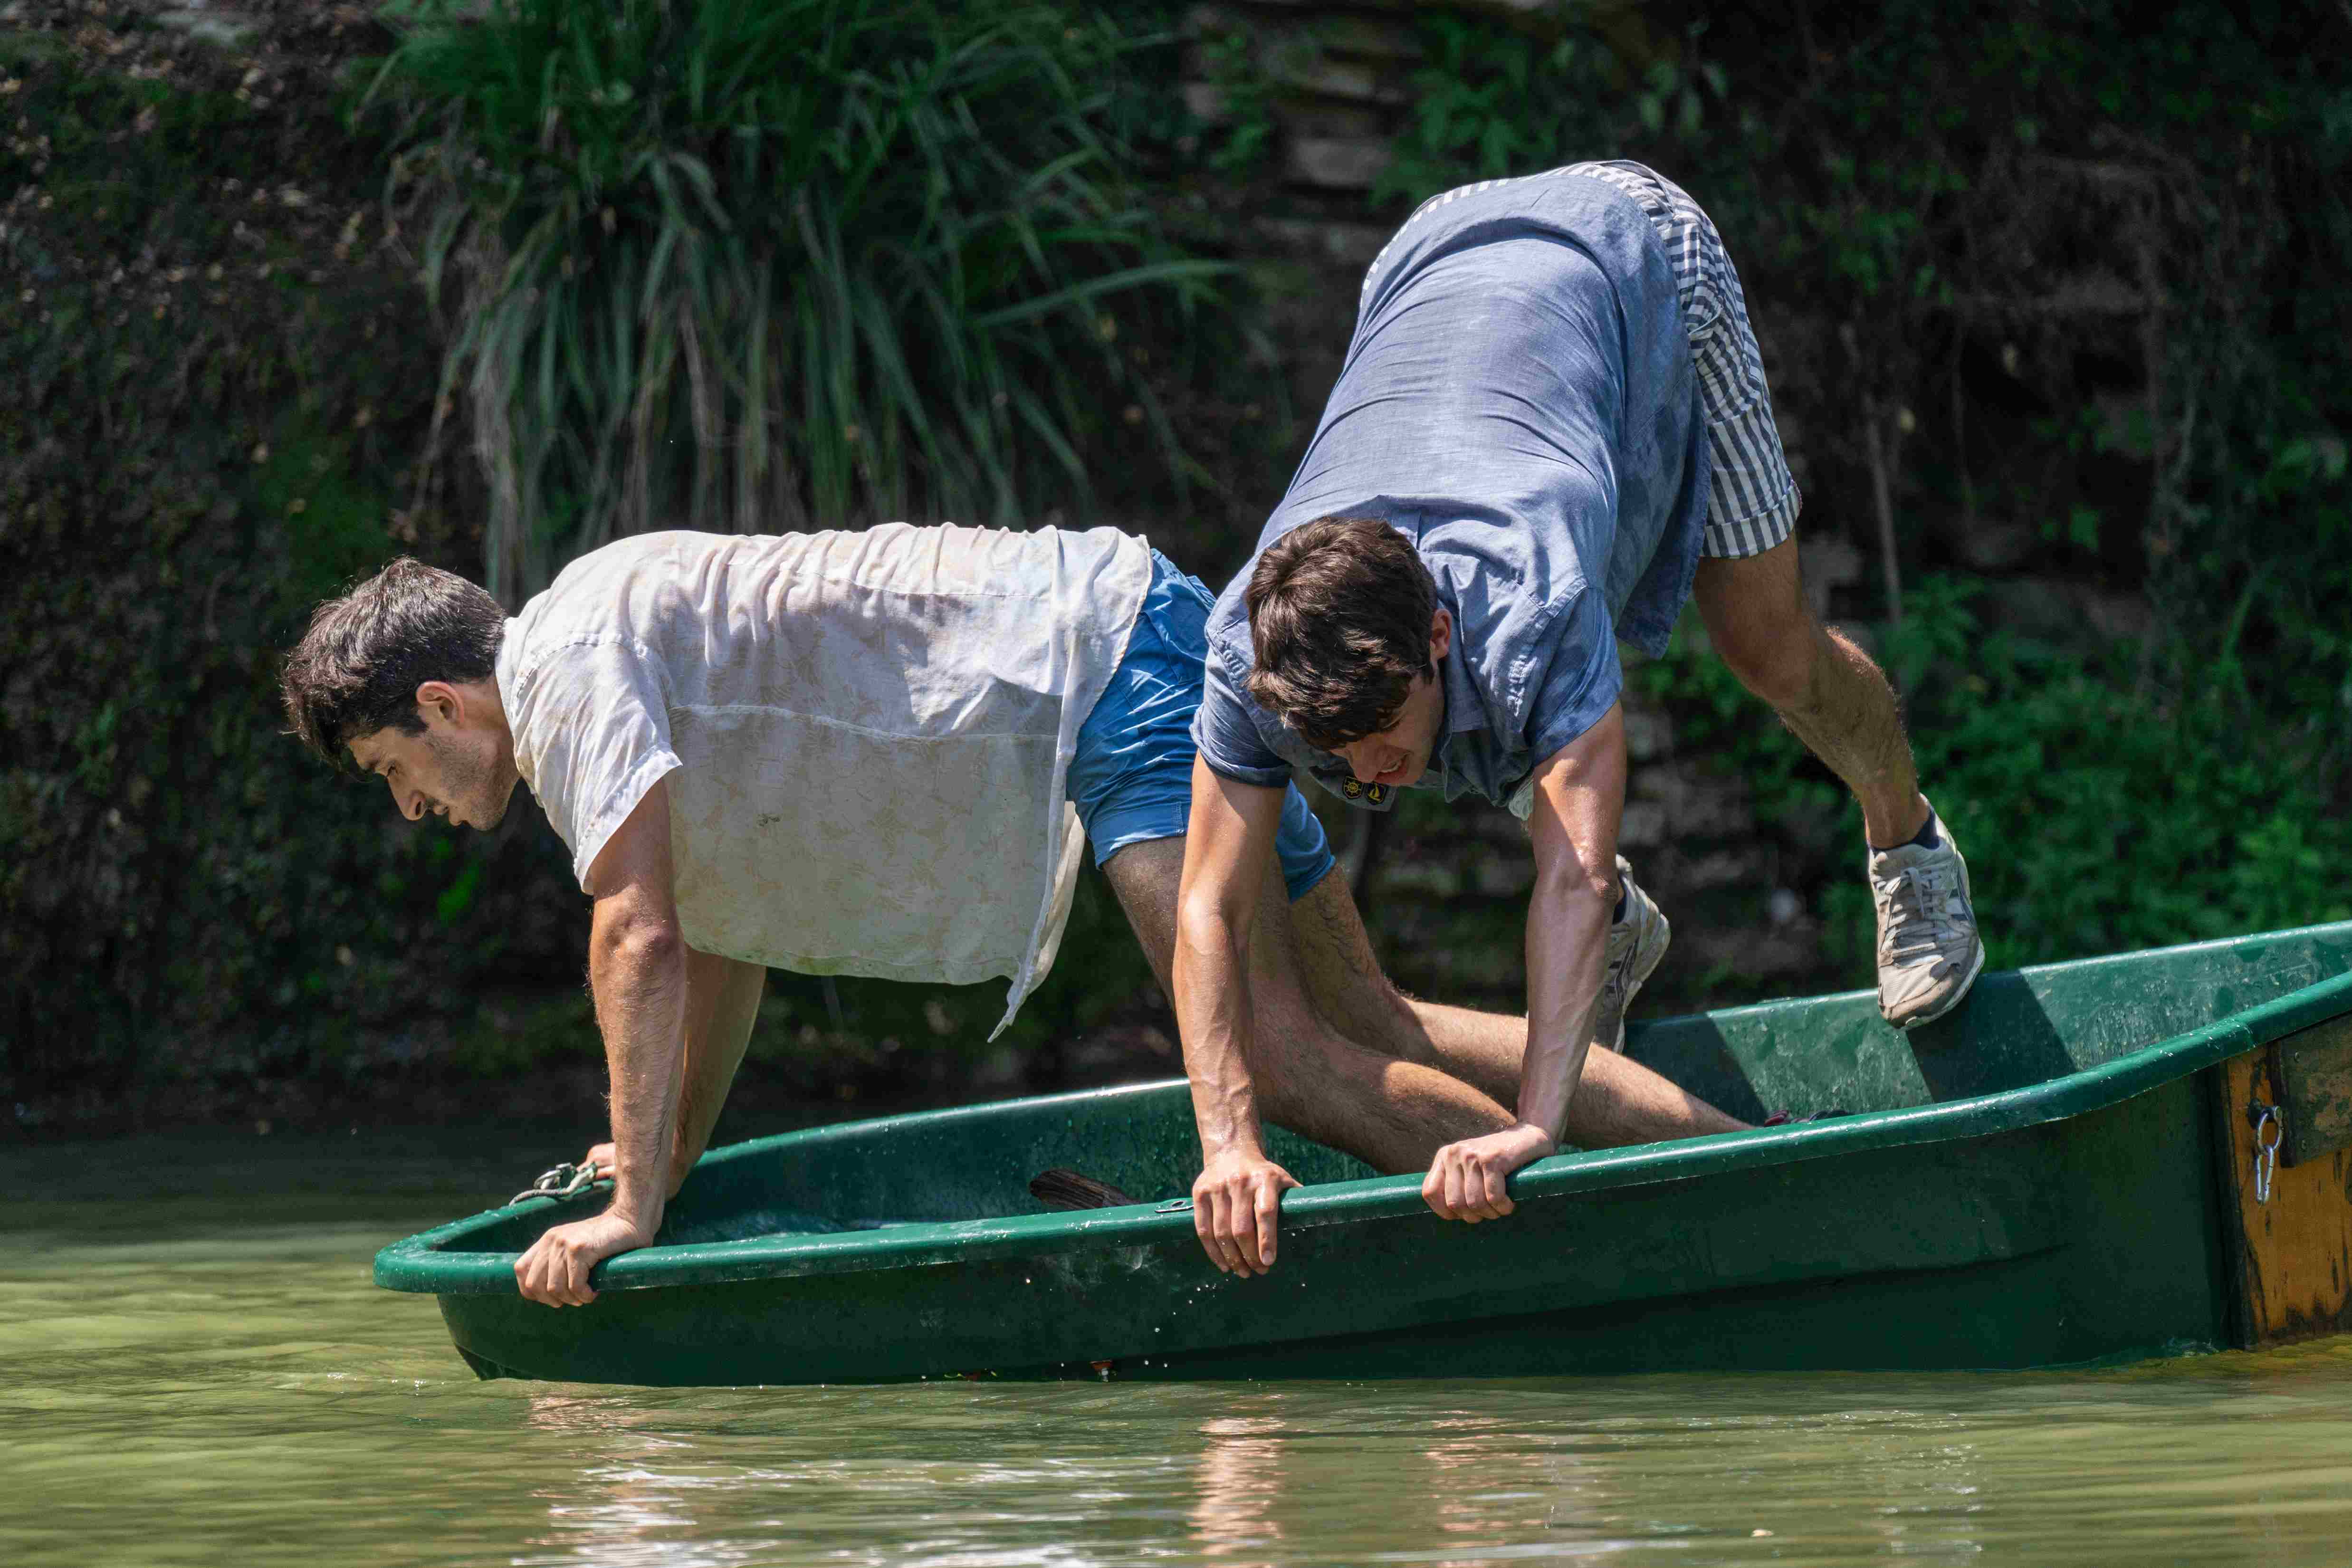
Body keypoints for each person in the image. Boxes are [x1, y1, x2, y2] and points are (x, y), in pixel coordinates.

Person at [281, 523, 1750, 1304]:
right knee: (1381, 1024)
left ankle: (1653, 1250)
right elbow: (717, 943)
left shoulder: (559, 672)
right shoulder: (598, 647)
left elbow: (639, 937)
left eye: (390, 772)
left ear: (440, 701)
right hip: (1136, 632)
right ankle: (1752, 1175)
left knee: (1280, 1061)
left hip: (1104, 675)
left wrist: (627, 1214)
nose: (407, 806)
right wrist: (654, 1158)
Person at [1176, 161, 1983, 1270]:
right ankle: (1612, 949)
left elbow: (1572, 869)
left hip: (1637, 251)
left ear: (1440, 634)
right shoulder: (1244, 650)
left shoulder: (1533, 602)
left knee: (1767, 649)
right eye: (1336, 749)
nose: (1368, 775)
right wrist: (1228, 1142)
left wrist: (1535, 1125)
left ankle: (1911, 841)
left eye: (1381, 732)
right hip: (1430, 251)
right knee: (1486, 734)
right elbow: (1210, 910)